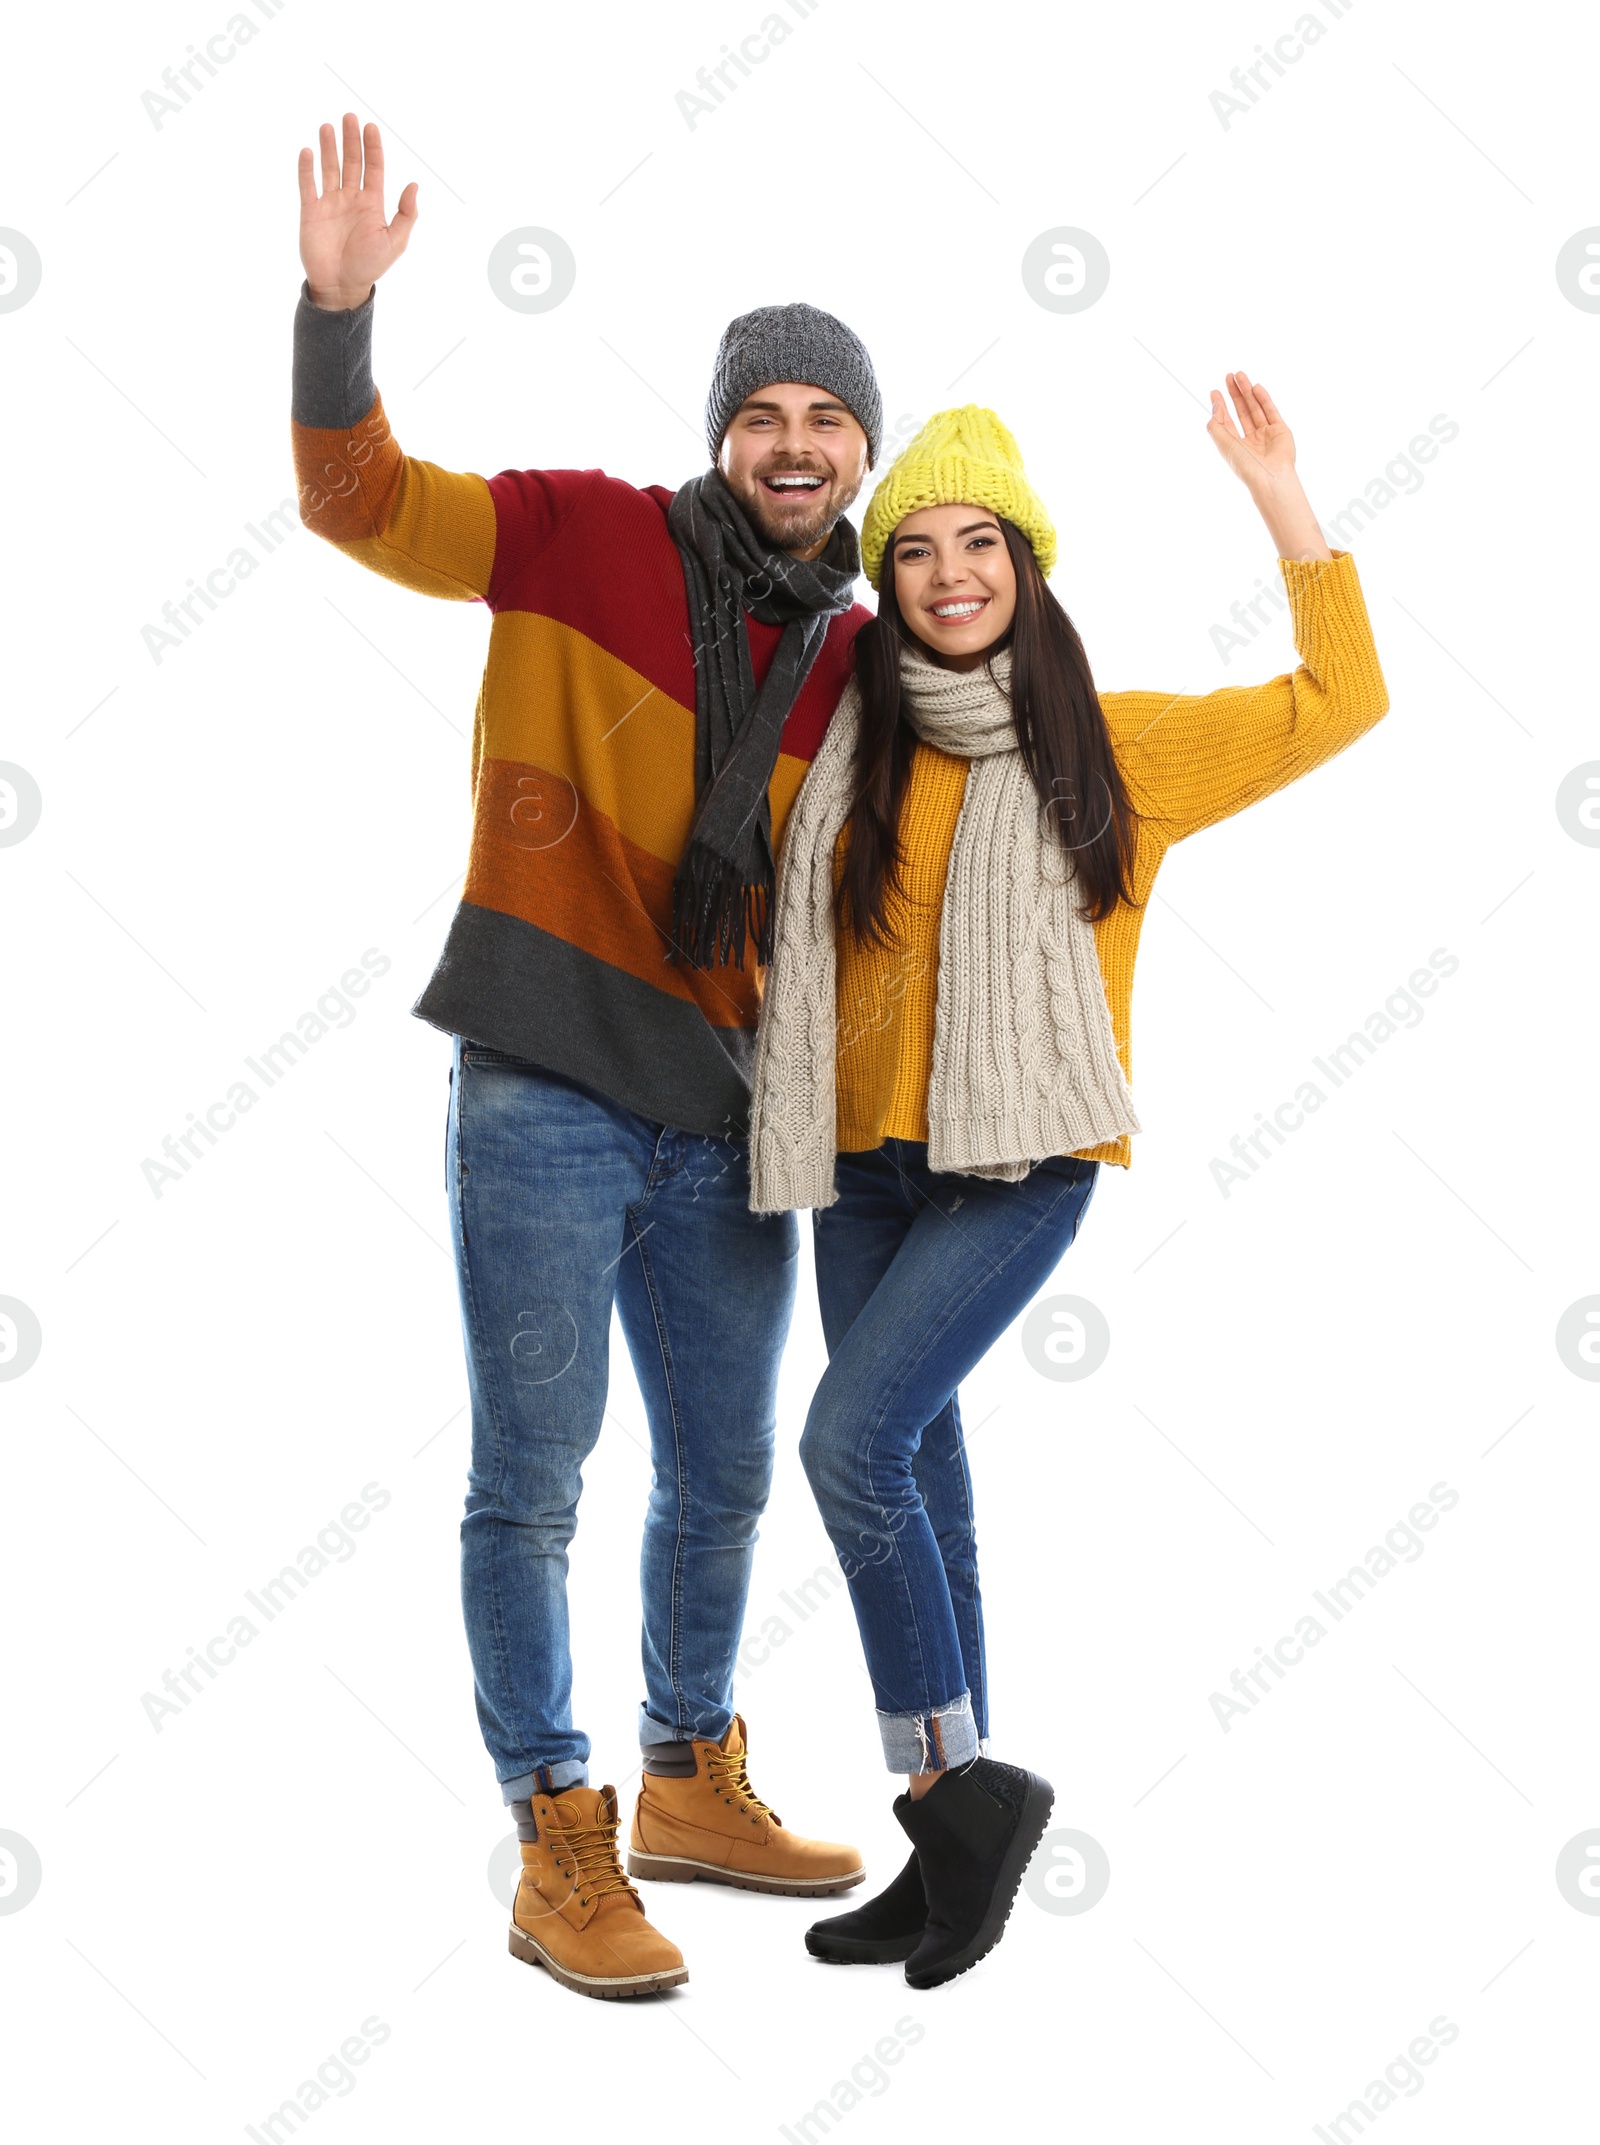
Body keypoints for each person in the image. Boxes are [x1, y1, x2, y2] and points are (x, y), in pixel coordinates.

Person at [291, 113, 879, 2000]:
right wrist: (336, 312)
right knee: (533, 1478)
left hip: (730, 1117)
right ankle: (559, 1834)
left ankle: (688, 1774)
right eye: (765, 415)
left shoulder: (867, 664)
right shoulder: (572, 535)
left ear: (860, 455)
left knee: (721, 1474)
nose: (793, 449)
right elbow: (359, 497)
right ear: (724, 434)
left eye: (828, 426)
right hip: (544, 1083)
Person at [747, 390, 1390, 1989]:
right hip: (864, 1166)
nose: (949, 571)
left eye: (981, 543)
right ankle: (947, 1817)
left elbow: (1342, 699)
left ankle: (957, 1796)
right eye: (915, 550)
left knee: (848, 1441)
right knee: (920, 1467)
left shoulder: (1119, 747)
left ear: (1028, 566)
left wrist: (1283, 501)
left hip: (1021, 1165)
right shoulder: (846, 741)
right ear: (885, 580)